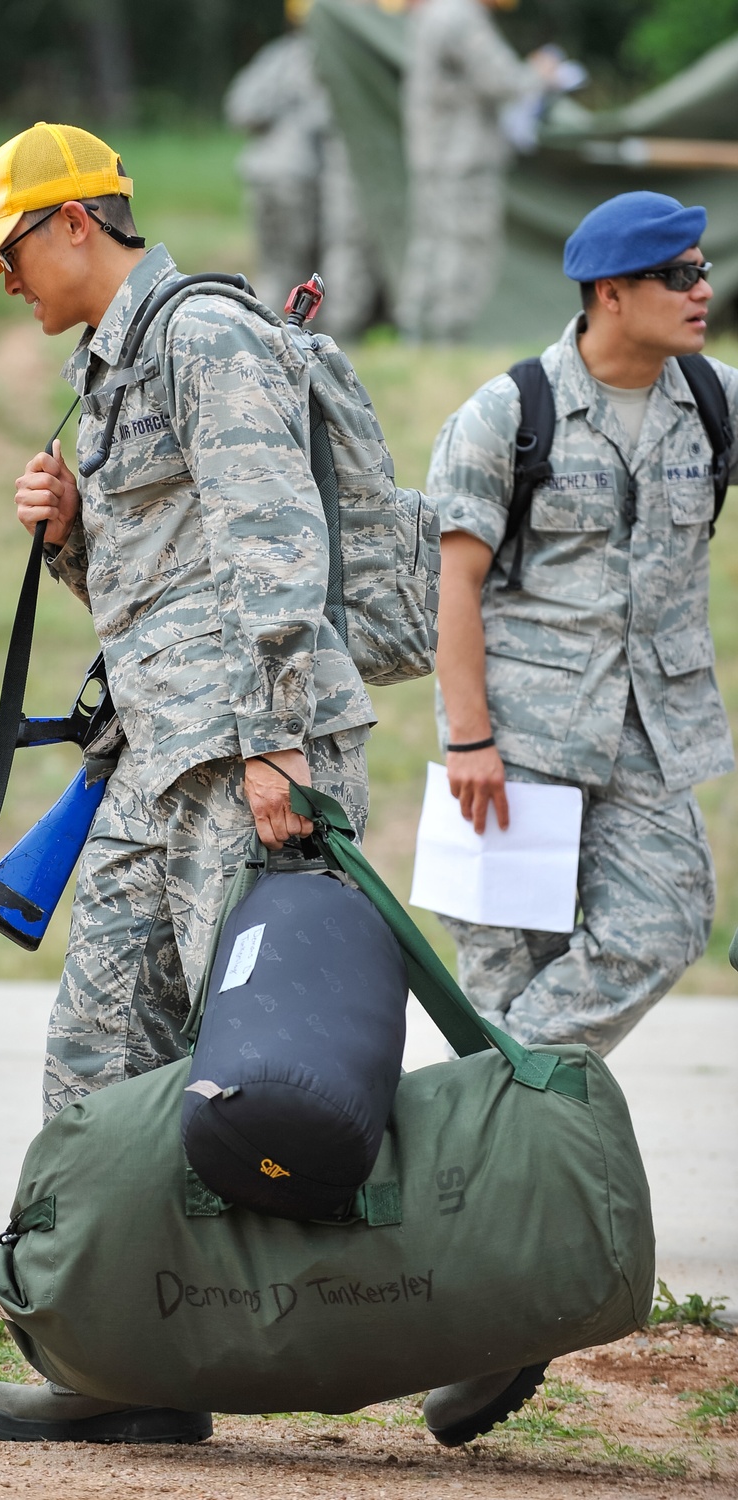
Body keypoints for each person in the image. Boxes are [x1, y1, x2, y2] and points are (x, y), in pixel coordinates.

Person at [0, 121, 437, 1443]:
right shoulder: (108, 377)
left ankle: (452, 1315)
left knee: (275, 1071)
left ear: (74, 226)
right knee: (97, 1055)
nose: (7, 287)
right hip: (154, 767)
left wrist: (281, 749)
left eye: (9, 257)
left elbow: (272, 544)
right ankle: (123, 1373)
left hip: (252, 762)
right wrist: (73, 539)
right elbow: (158, 592)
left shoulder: (208, 341)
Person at [427, 190, 736, 1062]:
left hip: (650, 737)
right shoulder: (511, 412)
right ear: (609, 292)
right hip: (515, 747)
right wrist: (469, 740)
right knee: (505, 969)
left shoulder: (714, 402)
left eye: (702, 272)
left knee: (667, 923)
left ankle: (494, 1083)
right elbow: (456, 586)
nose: (701, 290)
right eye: (676, 276)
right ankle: (503, 1149)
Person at [400, 0, 556, 342]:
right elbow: (502, 79)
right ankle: (448, 340)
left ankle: (415, 337)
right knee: (464, 246)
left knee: (429, 244)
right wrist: (540, 74)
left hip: (433, 154)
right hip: (464, 158)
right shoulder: (460, 15)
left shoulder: (431, 14)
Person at [224, 0, 381, 341]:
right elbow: (329, 120)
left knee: (273, 262)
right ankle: (288, 339)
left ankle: (261, 336)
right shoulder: (330, 58)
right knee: (298, 263)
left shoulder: (277, 55)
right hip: (300, 176)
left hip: (260, 174)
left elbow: (240, 107)